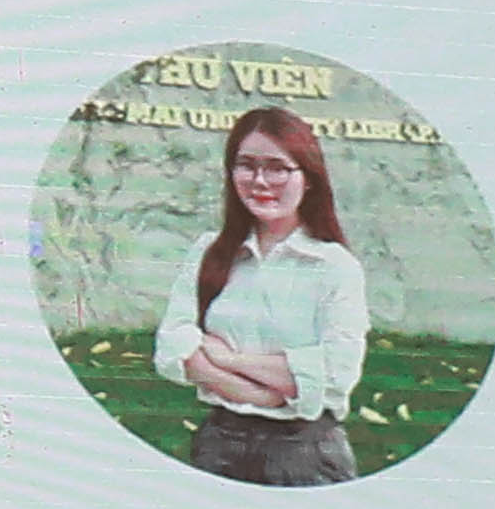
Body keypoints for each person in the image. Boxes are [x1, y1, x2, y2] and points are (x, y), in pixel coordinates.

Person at [154, 104, 370, 487]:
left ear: (309, 178)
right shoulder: (209, 252)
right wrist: (262, 393)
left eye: (277, 168)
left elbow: (336, 373)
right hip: (219, 445)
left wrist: (227, 358)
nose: (259, 181)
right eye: (246, 165)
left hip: (305, 454)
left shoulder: (334, 266)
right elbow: (173, 347)